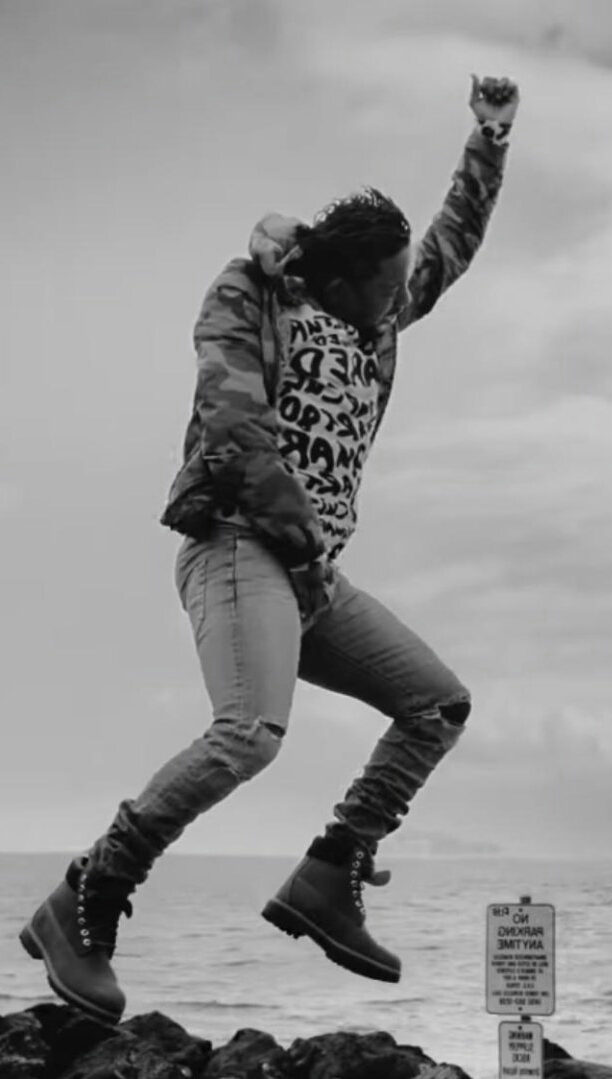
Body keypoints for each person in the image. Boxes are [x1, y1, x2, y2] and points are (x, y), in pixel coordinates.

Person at [20, 75, 520, 1024]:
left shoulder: (380, 315)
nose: (397, 303)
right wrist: (300, 549)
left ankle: (330, 872)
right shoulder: (248, 297)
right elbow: (233, 433)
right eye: (384, 288)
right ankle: (86, 894)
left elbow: (451, 246)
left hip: (310, 577)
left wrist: (488, 141)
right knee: (248, 732)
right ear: (336, 279)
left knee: (436, 704)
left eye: (400, 289)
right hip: (238, 545)